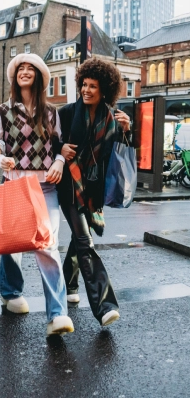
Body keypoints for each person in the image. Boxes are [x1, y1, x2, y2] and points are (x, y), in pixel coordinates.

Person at [0, 53, 74, 337]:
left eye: (29, 68)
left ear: (38, 76)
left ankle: (57, 314)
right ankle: (10, 292)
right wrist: (0, 160)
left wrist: (59, 161)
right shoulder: (2, 112)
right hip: (15, 184)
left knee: (47, 245)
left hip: (46, 187)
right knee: (14, 245)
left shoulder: (51, 113)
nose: (24, 71)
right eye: (19, 68)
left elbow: (59, 145)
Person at [56, 57, 131, 327]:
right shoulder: (64, 113)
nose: (86, 90)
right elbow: (50, 144)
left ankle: (69, 285)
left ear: (105, 90)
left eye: (93, 86)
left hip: (93, 189)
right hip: (69, 185)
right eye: (84, 85)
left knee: (80, 238)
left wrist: (126, 131)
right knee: (85, 240)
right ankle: (104, 305)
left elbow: (116, 155)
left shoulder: (112, 118)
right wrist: (59, 149)